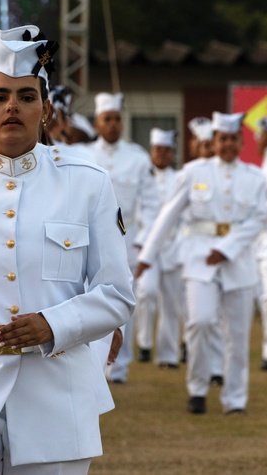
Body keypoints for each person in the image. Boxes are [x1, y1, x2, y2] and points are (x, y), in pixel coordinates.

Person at [0, 35, 134, 474]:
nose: (12, 106)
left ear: (46, 108)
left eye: (26, 96)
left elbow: (116, 294)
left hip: (54, 389)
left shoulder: (87, 182)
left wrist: (53, 324)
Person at [137, 112, 267, 415]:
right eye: (222, 139)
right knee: (200, 321)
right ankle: (197, 388)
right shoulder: (193, 172)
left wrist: (227, 248)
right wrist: (147, 256)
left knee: (237, 335)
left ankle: (235, 399)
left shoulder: (255, 177)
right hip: (198, 258)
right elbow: (167, 216)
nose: (227, 144)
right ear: (214, 141)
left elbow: (258, 219)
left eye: (233, 139)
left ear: (241, 142)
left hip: (238, 261)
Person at [84, 92, 158, 384]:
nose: (113, 125)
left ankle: (119, 366)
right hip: (89, 237)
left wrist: (145, 244)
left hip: (128, 239)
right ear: (97, 123)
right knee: (90, 297)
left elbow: (151, 204)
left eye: (117, 119)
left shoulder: (138, 158)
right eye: (107, 119)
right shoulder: (82, 155)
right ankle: (95, 361)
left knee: (123, 300)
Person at [132, 128, 183, 368]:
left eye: (166, 150)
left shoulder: (181, 177)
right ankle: (144, 343)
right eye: (157, 150)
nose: (161, 154)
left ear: (173, 153)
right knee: (147, 292)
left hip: (173, 244)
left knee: (172, 302)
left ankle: (168, 354)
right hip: (146, 245)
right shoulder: (142, 176)